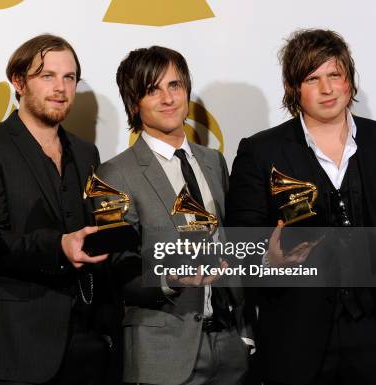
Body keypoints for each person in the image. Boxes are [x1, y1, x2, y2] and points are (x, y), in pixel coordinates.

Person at [226, 29, 376, 385]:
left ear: (349, 79)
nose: (327, 89)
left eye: (335, 75)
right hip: (295, 338)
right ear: (292, 88)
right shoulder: (261, 151)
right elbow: (240, 247)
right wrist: (269, 261)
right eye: (313, 79)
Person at [0, 34, 121, 385]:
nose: (60, 87)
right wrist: (58, 246)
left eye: (69, 77)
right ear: (18, 82)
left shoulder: (86, 152)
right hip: (20, 343)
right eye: (47, 76)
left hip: (89, 340)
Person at [96, 46, 253, 385]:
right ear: (133, 102)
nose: (167, 98)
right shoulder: (114, 174)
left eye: (175, 85)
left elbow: (231, 244)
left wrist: (245, 332)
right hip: (164, 353)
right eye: (152, 89)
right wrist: (173, 279)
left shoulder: (213, 162)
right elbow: (118, 267)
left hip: (230, 346)